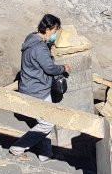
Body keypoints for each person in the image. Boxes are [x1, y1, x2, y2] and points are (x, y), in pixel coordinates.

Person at [9, 14, 71, 162]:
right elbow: (49, 68)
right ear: (48, 29)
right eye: (55, 31)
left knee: (45, 120)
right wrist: (63, 67)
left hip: (31, 86)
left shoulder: (31, 38)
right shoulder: (40, 48)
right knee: (46, 124)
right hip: (37, 91)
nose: (56, 35)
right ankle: (17, 148)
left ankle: (45, 154)